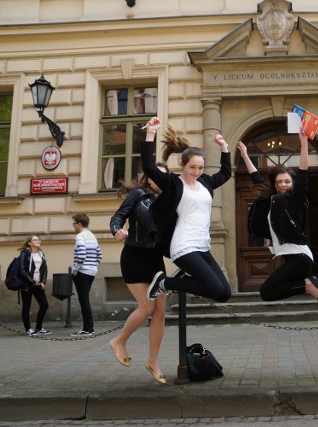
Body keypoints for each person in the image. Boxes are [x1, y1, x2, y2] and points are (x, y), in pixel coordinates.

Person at [141, 117, 232, 303]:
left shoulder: (205, 182)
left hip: (202, 245)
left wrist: (224, 148)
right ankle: (166, 283)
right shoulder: (174, 183)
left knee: (223, 294)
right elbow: (149, 167)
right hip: (183, 245)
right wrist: (150, 133)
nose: (196, 172)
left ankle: (168, 283)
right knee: (214, 288)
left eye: (200, 167)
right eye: (192, 167)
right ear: (182, 165)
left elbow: (225, 174)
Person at [238, 130, 318, 306]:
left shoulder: (295, 199)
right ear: (275, 184)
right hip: (291, 257)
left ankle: (307, 285)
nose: (284, 185)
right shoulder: (273, 200)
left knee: (266, 291)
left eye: (287, 181)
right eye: (280, 182)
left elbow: (302, 173)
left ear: (292, 184)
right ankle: (306, 285)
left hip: (299, 256)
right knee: (268, 292)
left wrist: (304, 144)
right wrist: (245, 156)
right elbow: (257, 179)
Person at [108, 163, 169, 384]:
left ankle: (153, 361)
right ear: (148, 177)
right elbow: (118, 217)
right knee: (148, 307)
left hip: (155, 259)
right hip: (134, 256)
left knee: (160, 311)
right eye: (155, 175)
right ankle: (119, 341)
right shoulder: (138, 194)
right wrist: (117, 229)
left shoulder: (169, 199)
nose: (159, 178)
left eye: (163, 175)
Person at [71, 213, 102, 337]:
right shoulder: (92, 236)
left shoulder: (80, 236)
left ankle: (87, 329)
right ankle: (89, 328)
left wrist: (75, 270)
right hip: (92, 271)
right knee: (85, 299)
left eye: (74, 223)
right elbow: (99, 255)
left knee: (83, 300)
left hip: (82, 271)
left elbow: (82, 255)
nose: (73, 226)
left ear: (79, 224)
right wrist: (93, 267)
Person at [17, 235, 50, 337]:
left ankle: (39, 328)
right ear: (29, 243)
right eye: (35, 240)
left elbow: (44, 269)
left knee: (44, 305)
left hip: (38, 284)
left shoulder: (40, 253)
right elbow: (22, 270)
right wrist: (32, 282)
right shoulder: (25, 253)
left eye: (38, 239)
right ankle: (28, 329)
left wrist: (43, 281)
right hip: (27, 284)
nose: (38, 241)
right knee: (27, 306)